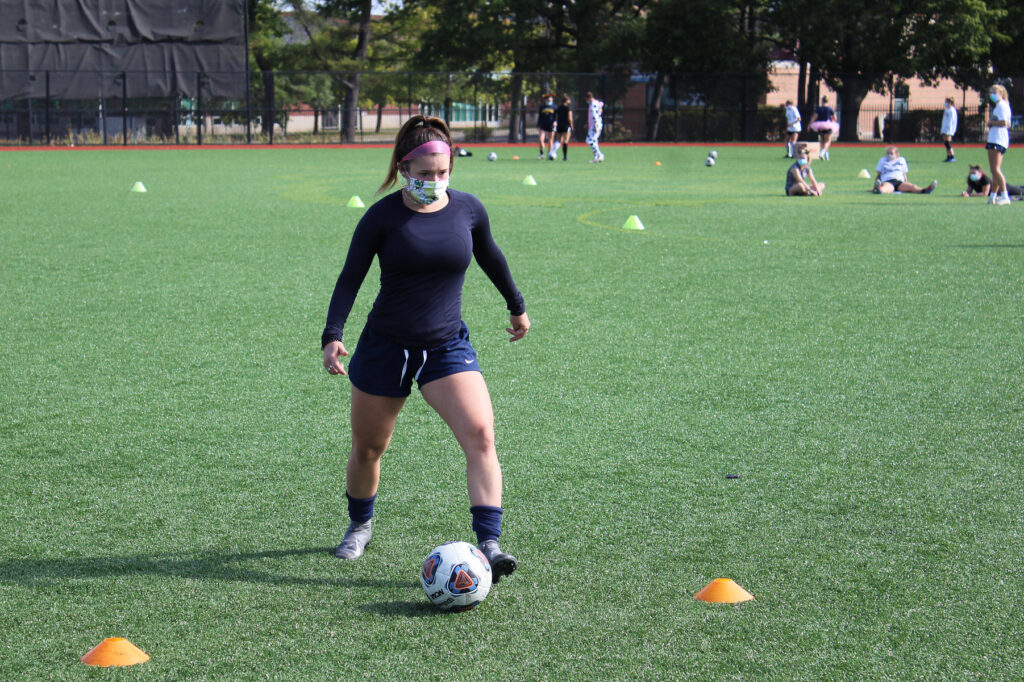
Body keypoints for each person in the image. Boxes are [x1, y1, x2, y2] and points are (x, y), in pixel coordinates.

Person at [321, 115, 530, 582]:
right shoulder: (381, 216)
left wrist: (516, 306)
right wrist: (332, 335)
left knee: (480, 435)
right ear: (403, 169)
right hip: (385, 346)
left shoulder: (469, 210)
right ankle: (360, 525)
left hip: (446, 346)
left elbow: (491, 256)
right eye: (424, 175)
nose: (434, 183)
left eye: (442, 173)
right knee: (369, 448)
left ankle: (490, 544)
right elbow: (350, 277)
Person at [986, 84, 1013, 206]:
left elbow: (1006, 123)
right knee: (994, 170)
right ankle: (993, 196)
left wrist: (991, 122)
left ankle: (1005, 195)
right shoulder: (1000, 105)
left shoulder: (1002, 105)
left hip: (997, 138)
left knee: (995, 169)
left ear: (1001, 94)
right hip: (995, 138)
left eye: (994, 92)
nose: (992, 94)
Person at [873, 146, 938, 194]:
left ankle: (925, 190)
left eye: (891, 153)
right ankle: (879, 190)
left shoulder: (901, 160)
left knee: (912, 186)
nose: (889, 155)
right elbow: (878, 175)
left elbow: (904, 174)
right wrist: (875, 186)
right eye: (888, 153)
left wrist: (906, 182)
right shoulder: (883, 160)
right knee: (887, 188)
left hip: (899, 182)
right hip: (888, 181)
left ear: (896, 154)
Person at [808, 96, 839, 160]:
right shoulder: (830, 109)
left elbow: (815, 117)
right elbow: (835, 118)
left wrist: (809, 125)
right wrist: (832, 120)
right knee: (827, 142)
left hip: (820, 126)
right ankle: (822, 153)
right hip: (828, 125)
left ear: (822, 101)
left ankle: (826, 156)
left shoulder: (819, 109)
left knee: (823, 141)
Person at [551, 94, 573, 161]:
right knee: (565, 141)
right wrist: (571, 125)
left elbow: (557, 117)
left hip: (559, 125)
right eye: (569, 100)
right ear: (566, 101)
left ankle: (552, 153)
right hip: (566, 125)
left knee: (558, 140)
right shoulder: (568, 108)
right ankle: (565, 156)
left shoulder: (558, 108)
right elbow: (570, 118)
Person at [585, 91, 605, 163]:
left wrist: (595, 125)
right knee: (594, 141)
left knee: (589, 140)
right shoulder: (597, 103)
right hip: (596, 124)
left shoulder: (593, 104)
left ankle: (599, 154)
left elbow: (595, 115)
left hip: (595, 125)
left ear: (589, 98)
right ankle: (596, 157)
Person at [537, 94, 557, 160]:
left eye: (550, 98)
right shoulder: (542, 107)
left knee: (550, 140)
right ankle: (542, 153)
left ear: (552, 99)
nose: (549, 99)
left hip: (551, 125)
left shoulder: (554, 107)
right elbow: (540, 117)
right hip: (543, 125)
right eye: (548, 98)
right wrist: (538, 125)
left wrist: (555, 121)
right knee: (541, 139)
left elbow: (557, 116)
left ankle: (550, 154)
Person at [940, 97, 958, 162]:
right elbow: (944, 120)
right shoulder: (946, 110)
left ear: (950, 102)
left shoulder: (952, 110)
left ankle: (952, 156)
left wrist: (949, 129)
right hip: (945, 128)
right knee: (945, 143)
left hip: (949, 129)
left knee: (948, 143)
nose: (945, 103)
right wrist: (942, 129)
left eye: (946, 102)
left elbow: (952, 121)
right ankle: (948, 156)